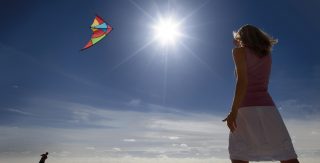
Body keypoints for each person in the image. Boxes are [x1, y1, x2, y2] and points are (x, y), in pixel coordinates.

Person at [223, 24, 299, 163]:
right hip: (268, 108)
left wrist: (233, 112)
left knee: (240, 154)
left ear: (242, 37)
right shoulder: (267, 55)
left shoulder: (238, 52)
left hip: (245, 108)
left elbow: (242, 82)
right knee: (285, 153)